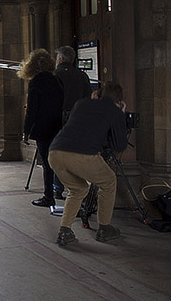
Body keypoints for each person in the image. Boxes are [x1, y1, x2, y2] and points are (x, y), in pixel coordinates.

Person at [48, 81, 128, 246]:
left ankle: (65, 230)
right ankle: (104, 228)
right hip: (83, 155)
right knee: (109, 181)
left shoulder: (81, 103)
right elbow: (119, 146)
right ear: (119, 100)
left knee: (78, 189)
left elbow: (80, 125)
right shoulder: (115, 111)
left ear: (99, 93)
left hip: (55, 152)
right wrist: (121, 116)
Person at [18, 49, 64, 207]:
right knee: (57, 160)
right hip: (57, 126)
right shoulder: (56, 80)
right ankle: (61, 190)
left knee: (46, 163)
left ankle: (48, 196)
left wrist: (26, 131)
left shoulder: (35, 82)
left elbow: (32, 110)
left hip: (43, 127)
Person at [53, 46, 93, 199]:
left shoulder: (55, 75)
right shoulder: (82, 76)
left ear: (61, 59)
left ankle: (57, 187)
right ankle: (77, 187)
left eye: (57, 58)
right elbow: (87, 98)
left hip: (58, 119)